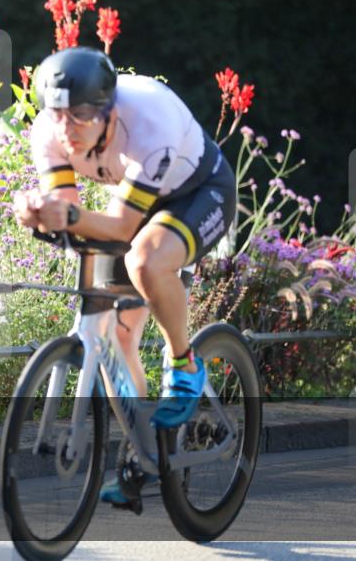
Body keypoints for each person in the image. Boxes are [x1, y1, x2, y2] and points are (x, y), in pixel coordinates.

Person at [12, 47, 236, 505]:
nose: (66, 129)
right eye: (56, 114)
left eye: (79, 116)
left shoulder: (148, 121)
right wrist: (35, 213)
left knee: (145, 261)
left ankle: (184, 365)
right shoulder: (49, 133)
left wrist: (65, 215)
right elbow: (68, 210)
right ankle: (148, 458)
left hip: (198, 193)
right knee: (115, 335)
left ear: (108, 112)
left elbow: (118, 228)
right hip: (133, 200)